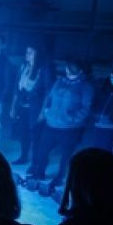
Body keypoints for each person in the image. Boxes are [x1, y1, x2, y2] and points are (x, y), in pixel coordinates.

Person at [27, 60, 93, 188]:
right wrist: (47, 111)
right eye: (68, 69)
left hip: (70, 129)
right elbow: (50, 97)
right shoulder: (59, 81)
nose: (69, 71)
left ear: (81, 71)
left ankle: (59, 177)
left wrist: (70, 118)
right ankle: (39, 172)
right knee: (42, 150)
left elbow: (86, 109)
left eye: (73, 69)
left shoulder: (86, 87)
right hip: (51, 124)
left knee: (65, 156)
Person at [10, 43, 52, 164]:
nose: (27, 54)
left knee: (36, 135)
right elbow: (16, 88)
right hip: (23, 106)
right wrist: (13, 106)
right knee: (23, 134)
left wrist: (43, 111)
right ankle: (23, 157)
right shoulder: (24, 66)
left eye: (30, 52)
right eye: (27, 51)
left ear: (37, 54)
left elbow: (48, 91)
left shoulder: (44, 69)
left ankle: (35, 162)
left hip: (36, 107)